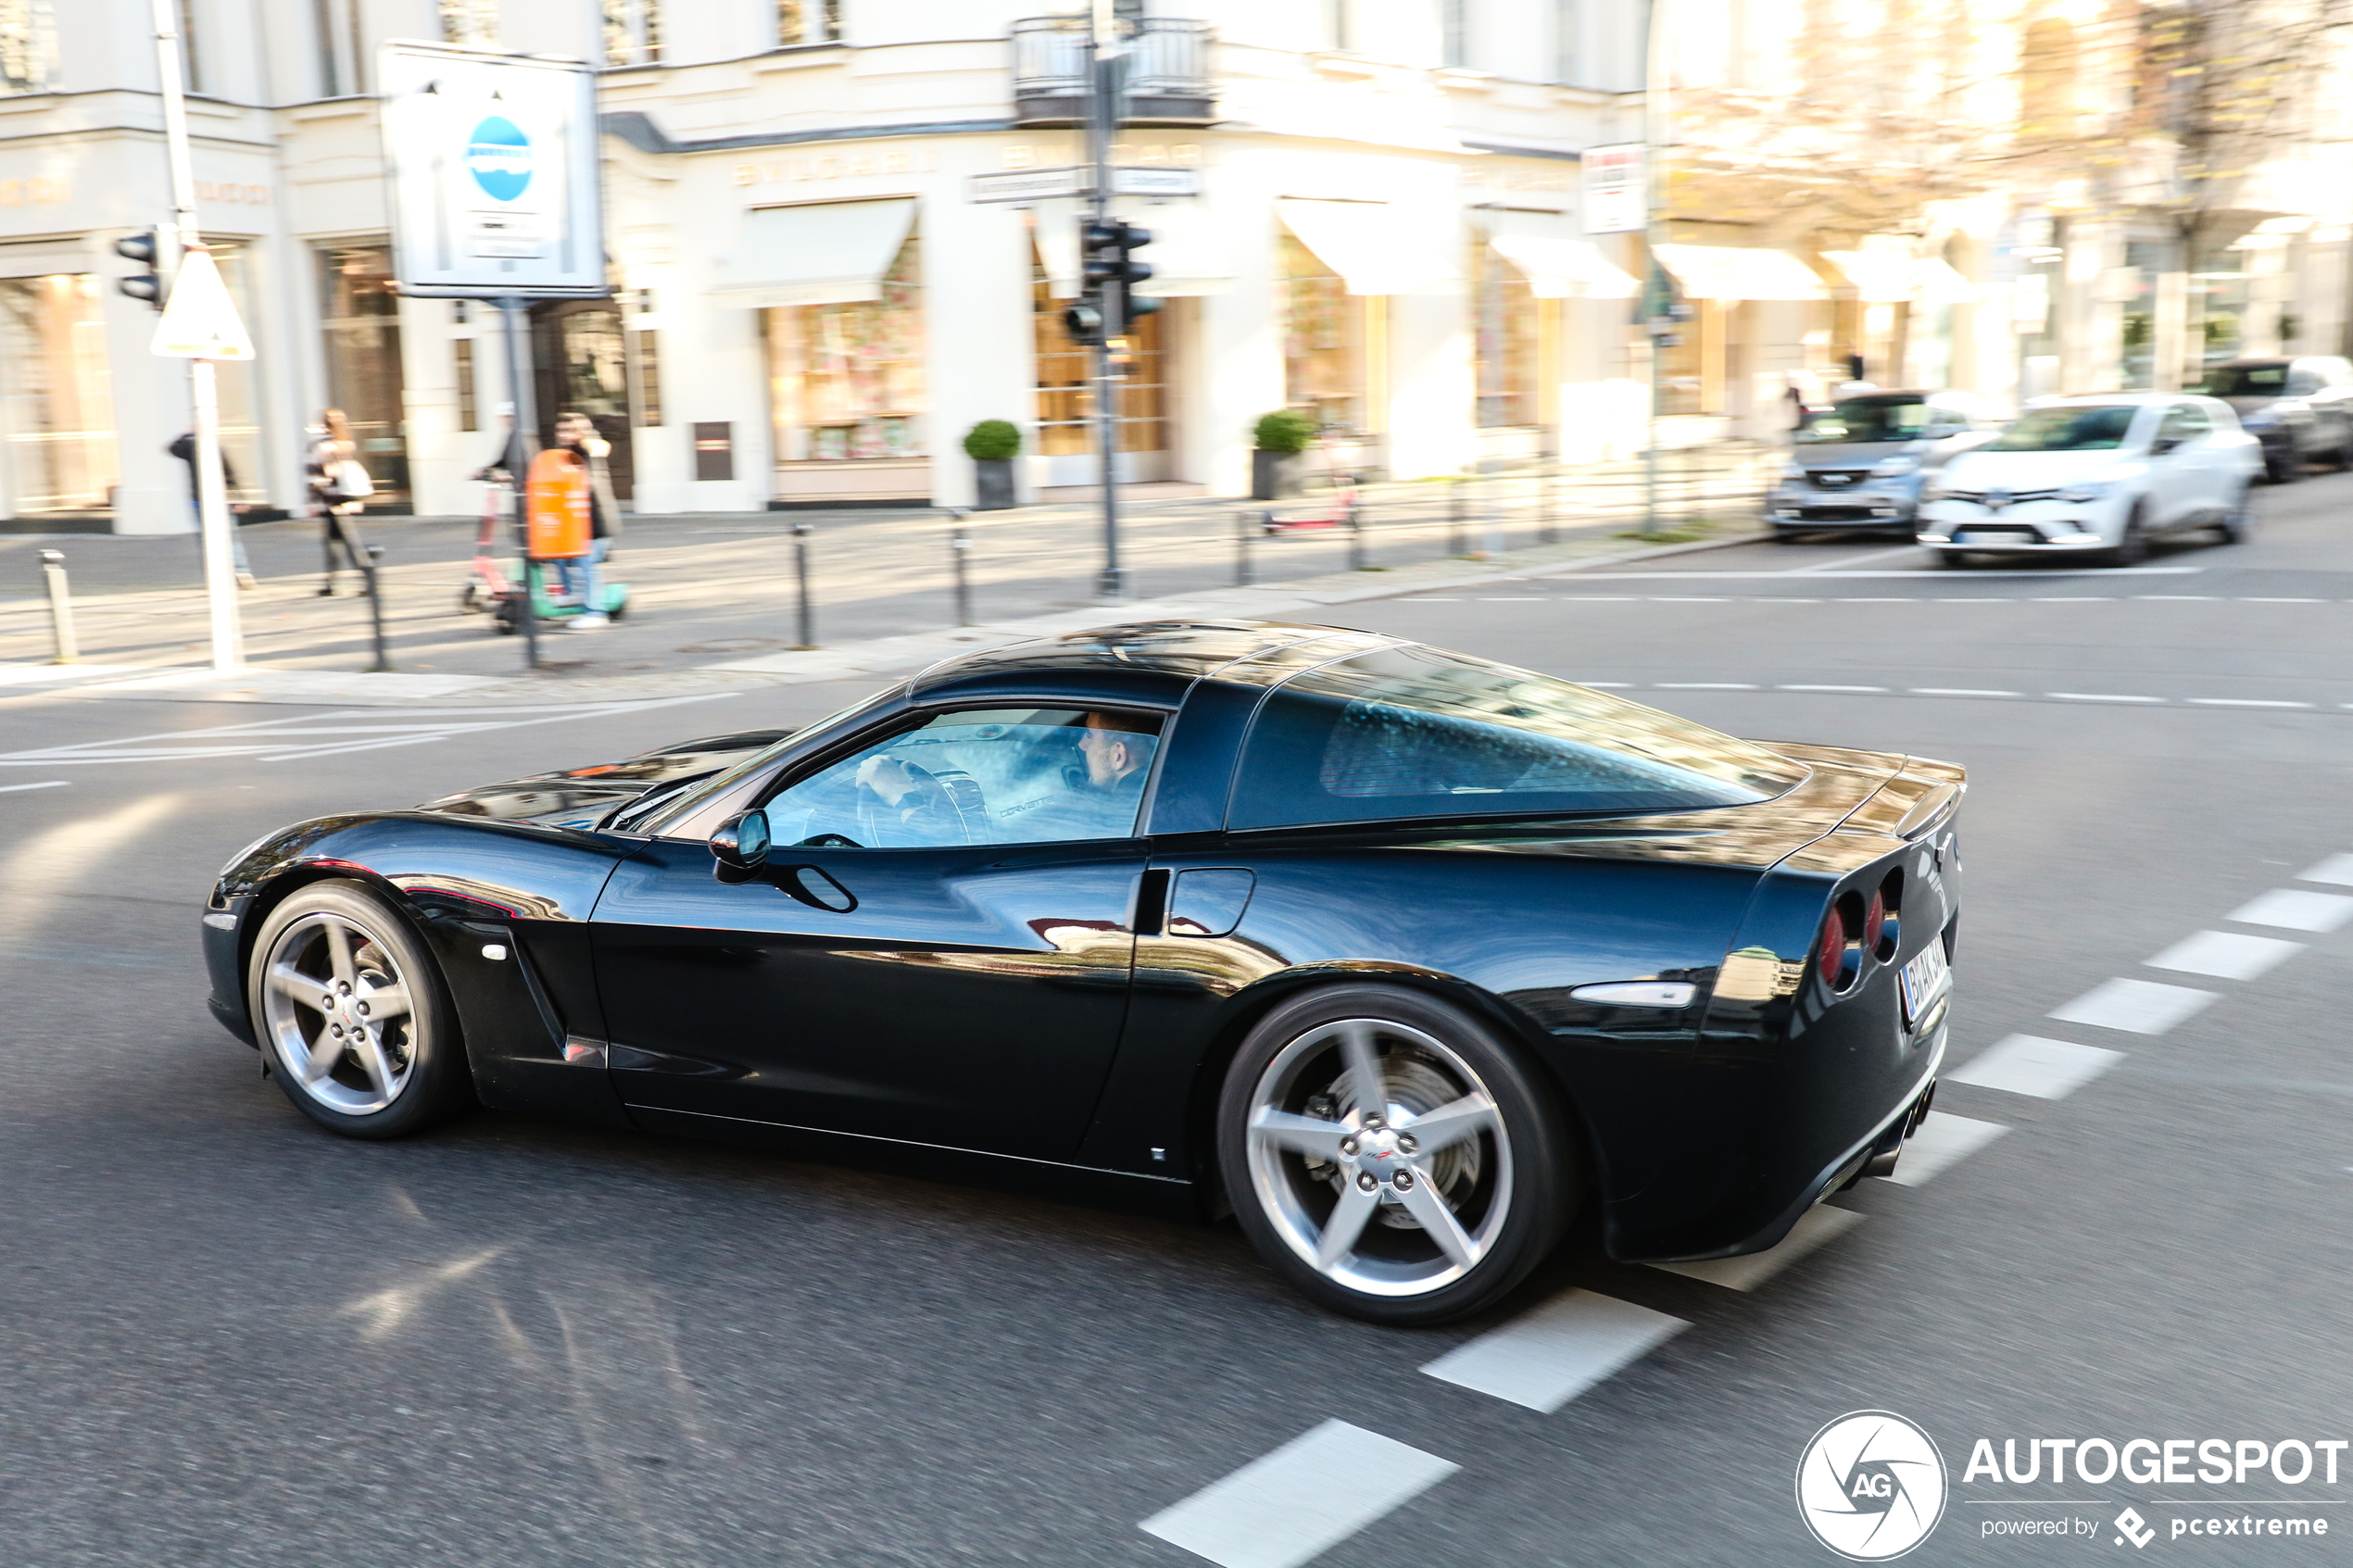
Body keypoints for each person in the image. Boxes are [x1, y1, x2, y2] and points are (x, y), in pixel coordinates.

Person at [551, 410, 623, 632]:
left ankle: (595, 613)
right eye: (562, 430)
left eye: (571, 429)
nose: (565, 434)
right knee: (558, 556)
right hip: (575, 523)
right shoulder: (562, 454)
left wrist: (586, 437)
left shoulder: (586, 449)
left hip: (596, 524)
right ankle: (572, 593)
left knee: (586, 567)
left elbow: (601, 447)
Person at [166, 433, 255, 588]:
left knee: (213, 538)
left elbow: (173, 448)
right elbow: (173, 449)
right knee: (227, 536)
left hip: (207, 500)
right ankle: (237, 571)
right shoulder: (199, 447)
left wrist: (186, 435)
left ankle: (230, 573)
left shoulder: (195, 448)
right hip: (209, 500)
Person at [308, 408, 371, 596]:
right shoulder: (346, 442)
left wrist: (314, 498)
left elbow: (323, 474)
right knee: (335, 541)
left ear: (325, 425)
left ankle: (368, 581)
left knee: (349, 542)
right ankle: (331, 583)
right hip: (344, 496)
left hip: (334, 499)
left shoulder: (325, 446)